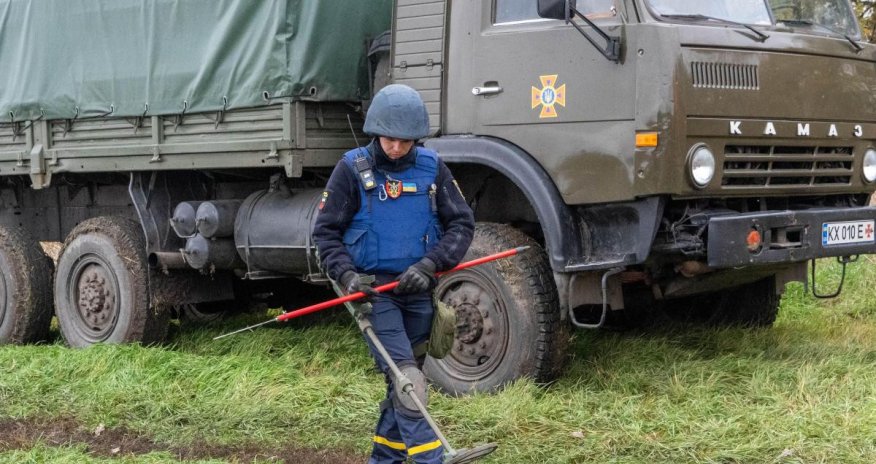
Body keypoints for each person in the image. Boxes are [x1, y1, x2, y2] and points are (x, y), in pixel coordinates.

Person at [312, 84, 475, 464]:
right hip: (374, 296)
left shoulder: (434, 168)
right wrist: (348, 277)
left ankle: (383, 459)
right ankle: (431, 458)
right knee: (408, 381)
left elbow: (462, 225)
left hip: (418, 291)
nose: (397, 148)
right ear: (375, 131)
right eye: (389, 140)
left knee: (401, 382)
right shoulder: (351, 169)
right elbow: (325, 233)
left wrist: (430, 264)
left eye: (405, 141)